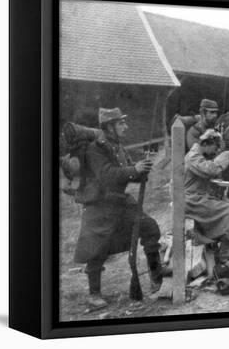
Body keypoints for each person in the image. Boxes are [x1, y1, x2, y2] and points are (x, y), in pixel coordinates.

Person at [73, 108, 162, 310]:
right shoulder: (95, 149)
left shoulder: (118, 146)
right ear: (109, 127)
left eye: (124, 122)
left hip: (120, 202)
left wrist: (141, 171)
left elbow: (129, 172)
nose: (125, 126)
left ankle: (157, 278)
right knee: (97, 248)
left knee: (150, 227)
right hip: (99, 205)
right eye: (121, 123)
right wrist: (134, 170)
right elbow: (107, 176)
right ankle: (94, 294)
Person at [184, 130, 229, 259]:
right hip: (191, 200)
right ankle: (225, 249)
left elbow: (203, 178)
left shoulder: (199, 156)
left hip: (199, 196)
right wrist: (223, 157)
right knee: (227, 210)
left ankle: (227, 242)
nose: (215, 151)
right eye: (216, 147)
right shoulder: (193, 156)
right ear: (206, 143)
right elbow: (210, 170)